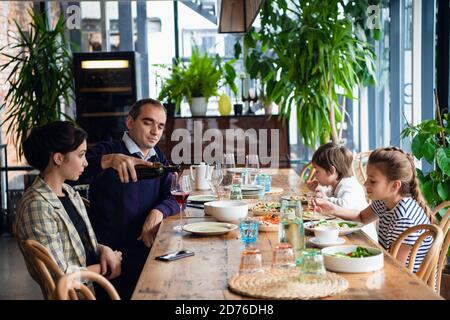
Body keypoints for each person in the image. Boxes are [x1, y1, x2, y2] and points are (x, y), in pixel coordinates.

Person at [77, 98, 180, 299]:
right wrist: (108, 161)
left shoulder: (157, 155)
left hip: (149, 249)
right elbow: (70, 175)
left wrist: (158, 212)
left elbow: (175, 195)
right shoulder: (107, 151)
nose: (155, 131)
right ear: (130, 122)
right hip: (114, 257)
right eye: (148, 122)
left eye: (160, 126)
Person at [16, 121, 122, 296]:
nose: (86, 163)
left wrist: (105, 250)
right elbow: (61, 278)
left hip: (94, 286)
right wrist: (106, 267)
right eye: (81, 155)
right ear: (58, 158)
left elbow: (80, 244)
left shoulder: (69, 192)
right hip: (78, 294)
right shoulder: (37, 205)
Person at [315, 146, 433, 272]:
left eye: (372, 181)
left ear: (395, 185)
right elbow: (361, 217)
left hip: (408, 283)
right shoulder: (384, 202)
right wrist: (333, 209)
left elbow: (396, 268)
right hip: (388, 265)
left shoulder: (404, 218)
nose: (365, 184)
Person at [306, 142, 378, 241]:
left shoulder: (349, 185)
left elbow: (344, 206)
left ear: (331, 171)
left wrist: (325, 199)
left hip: (362, 237)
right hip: (349, 231)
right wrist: (319, 190)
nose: (315, 175)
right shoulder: (335, 184)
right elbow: (329, 194)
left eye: (317, 171)